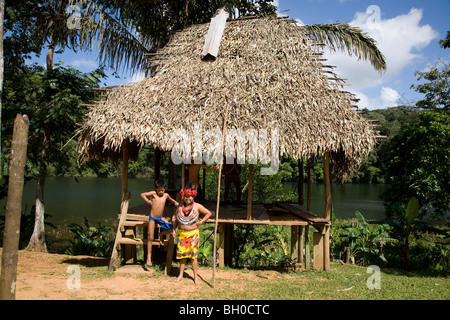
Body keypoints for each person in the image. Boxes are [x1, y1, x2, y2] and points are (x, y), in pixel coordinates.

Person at [173, 187, 212, 284]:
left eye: (189, 196)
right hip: (182, 234)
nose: (187, 198)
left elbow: (208, 213)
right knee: (182, 255)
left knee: (193, 256)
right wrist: (173, 230)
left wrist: (202, 221)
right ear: (183, 197)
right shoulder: (179, 207)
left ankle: (195, 277)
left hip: (193, 234)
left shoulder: (197, 206)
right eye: (185, 196)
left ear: (193, 196)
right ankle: (180, 275)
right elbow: (175, 219)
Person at [140, 179, 178, 267]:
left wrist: (176, 203)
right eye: (159, 190)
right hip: (152, 218)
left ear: (165, 189)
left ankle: (161, 234)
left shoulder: (166, 195)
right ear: (156, 189)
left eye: (163, 190)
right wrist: (148, 201)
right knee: (151, 237)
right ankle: (148, 257)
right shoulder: (153, 194)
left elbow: (172, 200)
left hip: (160, 218)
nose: (161, 192)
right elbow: (142, 194)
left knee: (172, 228)